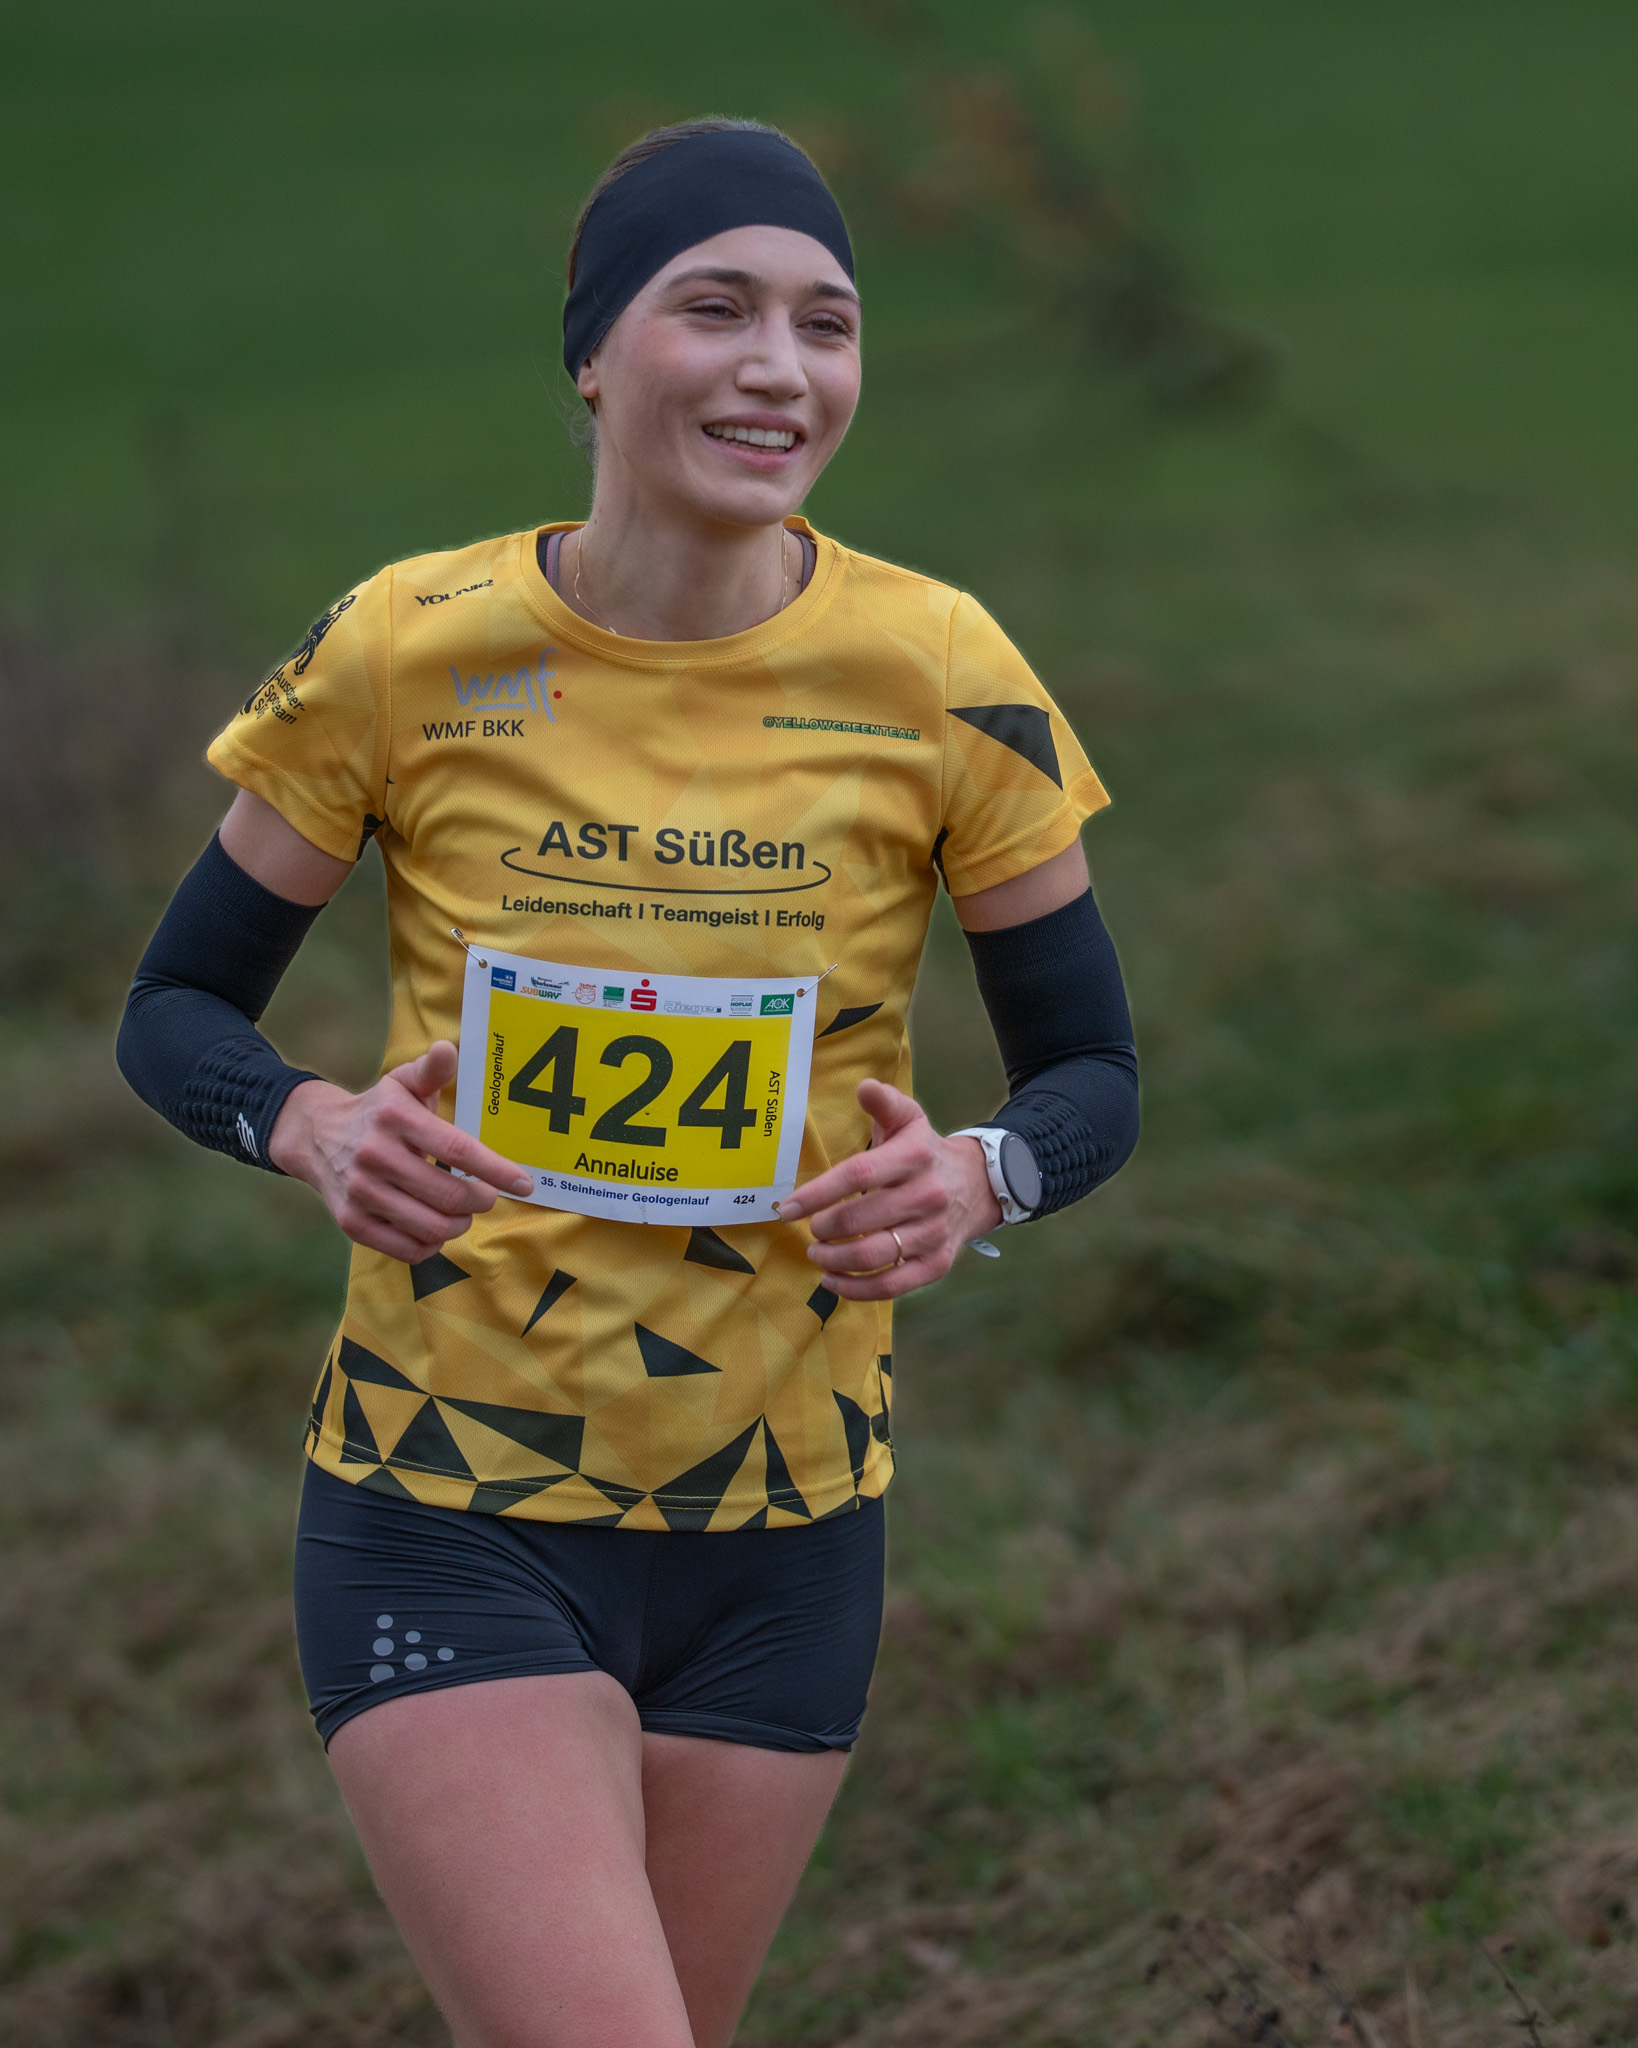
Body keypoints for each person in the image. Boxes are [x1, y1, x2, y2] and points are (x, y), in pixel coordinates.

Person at [117, 119, 1139, 2048]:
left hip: (791, 1530)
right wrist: (310, 1122)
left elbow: (1089, 1072)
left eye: (826, 323)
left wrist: (981, 1175)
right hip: (449, 1498)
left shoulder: (946, 670)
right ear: (592, 353)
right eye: (716, 308)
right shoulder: (406, 647)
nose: (780, 367)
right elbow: (175, 1008)